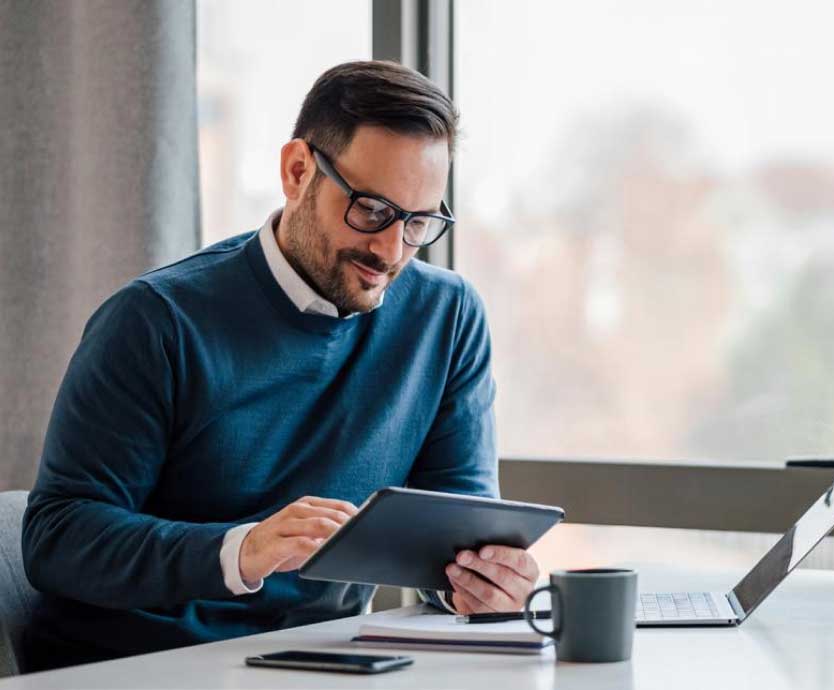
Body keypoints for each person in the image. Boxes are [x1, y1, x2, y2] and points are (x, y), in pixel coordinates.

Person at [21, 60, 539, 671]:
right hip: (141, 666)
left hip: (326, 662)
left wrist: (481, 581)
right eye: (371, 210)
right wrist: (241, 550)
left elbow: (455, 536)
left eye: (418, 222)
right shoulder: (155, 321)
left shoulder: (446, 319)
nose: (391, 249)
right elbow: (58, 538)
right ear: (298, 172)